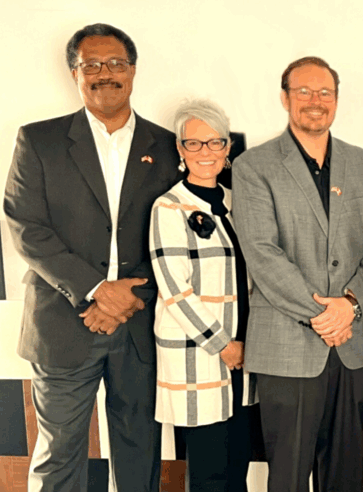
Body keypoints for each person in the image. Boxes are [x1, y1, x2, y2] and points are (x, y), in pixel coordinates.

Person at [3, 23, 179, 492]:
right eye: (92, 65)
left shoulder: (167, 146)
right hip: (62, 325)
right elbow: (26, 227)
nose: (106, 73)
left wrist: (126, 296)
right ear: (75, 73)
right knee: (59, 455)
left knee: (140, 450)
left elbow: (176, 234)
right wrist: (97, 291)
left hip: (140, 326)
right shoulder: (39, 141)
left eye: (116, 63)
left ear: (133, 71)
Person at [230, 56, 363, 492]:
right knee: (287, 474)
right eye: (303, 91)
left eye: (324, 92)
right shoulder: (253, 167)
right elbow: (262, 253)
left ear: (337, 100)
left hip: (355, 347)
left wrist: (352, 306)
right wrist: (325, 315)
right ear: (284, 98)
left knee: (345, 473)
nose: (314, 101)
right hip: (288, 343)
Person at [149, 99, 252, 492]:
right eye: (194, 143)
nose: (205, 152)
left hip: (245, 356)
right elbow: (175, 289)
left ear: (227, 148)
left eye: (214, 142)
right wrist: (222, 344)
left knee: (237, 466)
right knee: (208, 471)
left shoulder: (237, 202)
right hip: (204, 354)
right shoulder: (169, 207)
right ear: (180, 149)